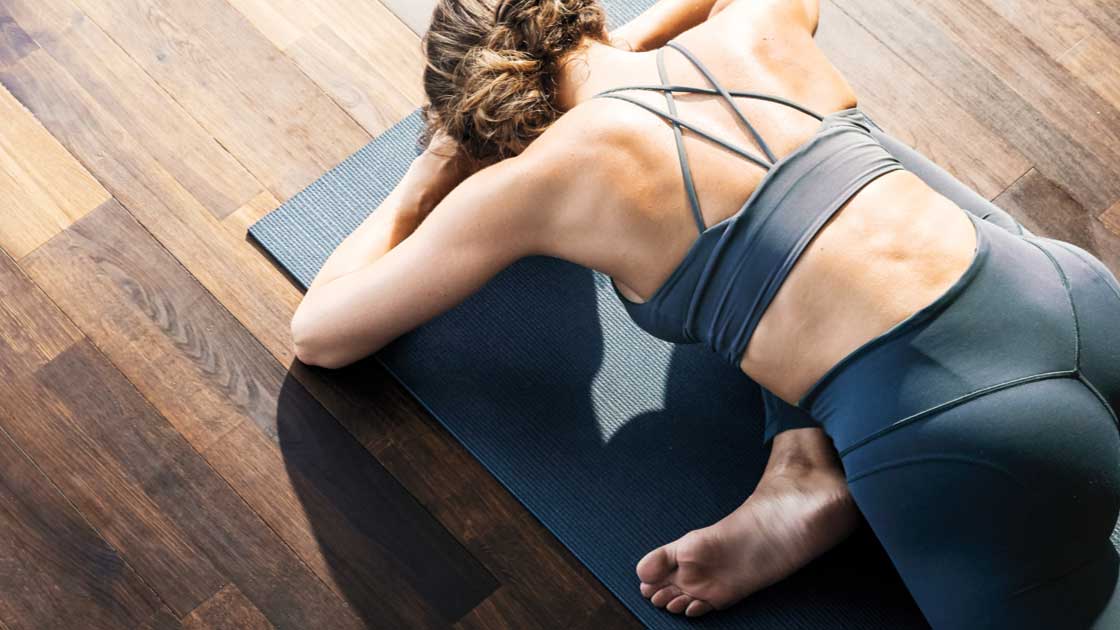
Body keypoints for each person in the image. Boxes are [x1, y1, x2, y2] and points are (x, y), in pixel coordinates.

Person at [289, 0, 1120, 626]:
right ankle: (802, 468)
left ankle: (809, 468)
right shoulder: (750, 28)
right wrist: (627, 44)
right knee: (834, 191)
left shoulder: (534, 183)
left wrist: (430, 169)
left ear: (482, 119)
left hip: (965, 436)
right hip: (1068, 293)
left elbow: (322, 333)